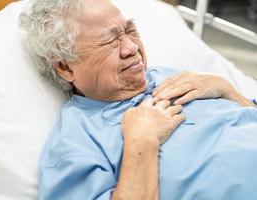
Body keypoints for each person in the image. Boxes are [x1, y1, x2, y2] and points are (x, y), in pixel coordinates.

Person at [19, 0, 257, 199]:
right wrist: (142, 141)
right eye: (109, 41)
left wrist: (229, 91)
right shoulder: (75, 143)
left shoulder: (173, 76)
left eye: (130, 31)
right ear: (64, 67)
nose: (131, 48)